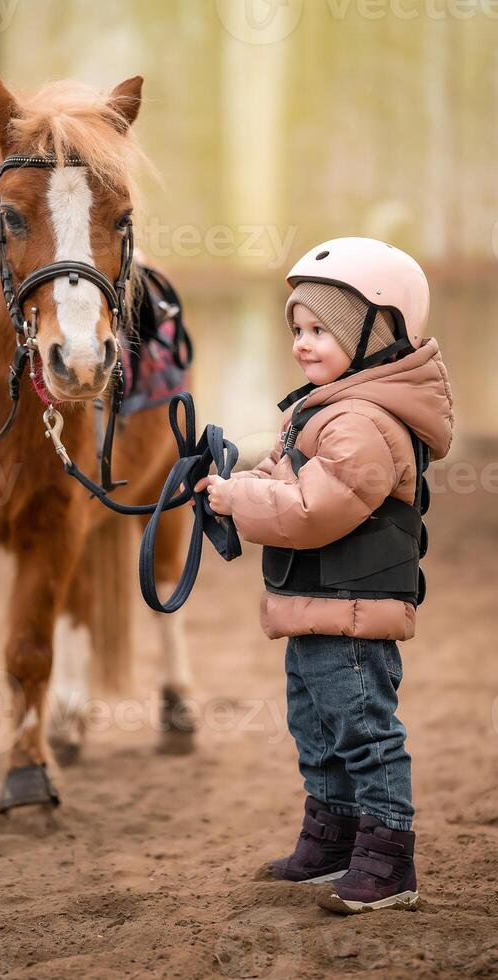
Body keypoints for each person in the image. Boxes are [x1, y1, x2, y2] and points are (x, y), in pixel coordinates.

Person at [195, 238, 453, 914]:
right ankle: (334, 836)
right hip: (317, 606)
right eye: (298, 330)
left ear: (380, 334)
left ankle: (388, 860)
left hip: (354, 611)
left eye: (322, 330)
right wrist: (232, 485)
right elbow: (286, 483)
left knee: (365, 733)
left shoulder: (364, 422)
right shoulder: (322, 411)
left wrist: (237, 502)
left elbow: (314, 510)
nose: (303, 345)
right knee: (319, 731)